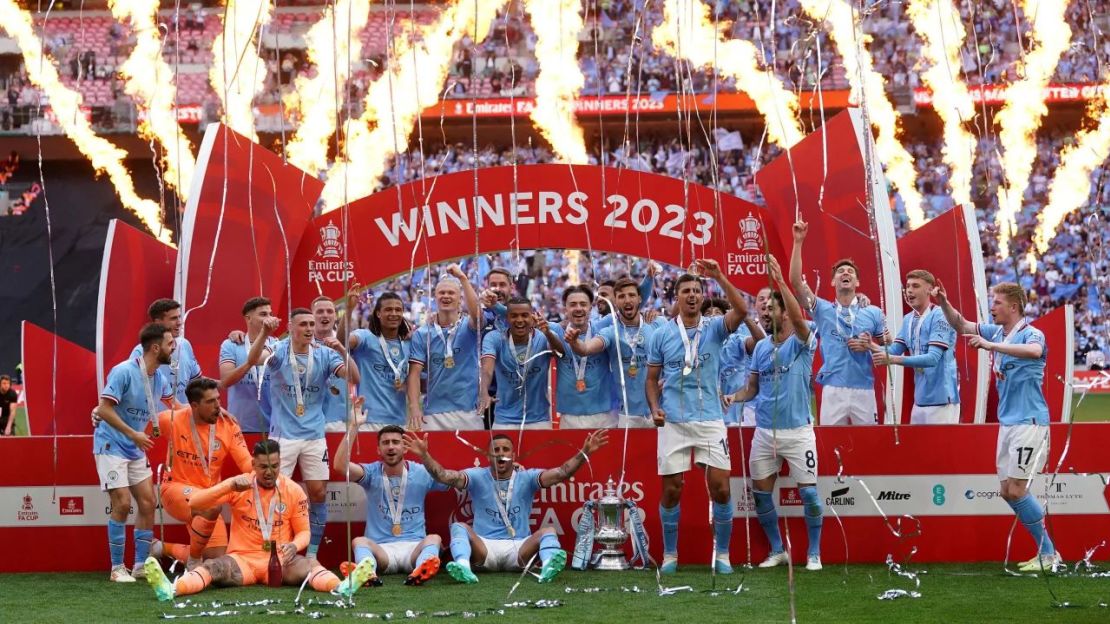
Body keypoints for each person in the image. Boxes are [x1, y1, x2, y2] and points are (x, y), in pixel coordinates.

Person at [142, 439, 373, 600]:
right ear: (253, 465)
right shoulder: (240, 483)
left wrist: (294, 545)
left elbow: (304, 532)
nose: (269, 472)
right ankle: (172, 589)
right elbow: (195, 502)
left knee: (309, 565)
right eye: (263, 467)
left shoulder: (293, 490)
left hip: (281, 560)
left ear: (280, 463)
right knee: (213, 566)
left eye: (274, 466)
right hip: (243, 561)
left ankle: (342, 587)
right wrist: (229, 485)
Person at [934, 280, 1061, 572]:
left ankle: (1050, 554)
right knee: (1006, 490)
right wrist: (943, 301)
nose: (992, 307)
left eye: (997, 302)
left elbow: (1033, 352)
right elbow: (961, 325)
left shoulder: (1032, 333)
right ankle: (1047, 552)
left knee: (1017, 489)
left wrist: (990, 346)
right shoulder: (997, 331)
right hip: (1008, 424)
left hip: (1030, 422)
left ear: (1013, 307)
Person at [645, 258, 752, 574]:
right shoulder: (662, 334)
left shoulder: (715, 328)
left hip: (709, 419)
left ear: (703, 297)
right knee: (672, 489)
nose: (691, 295)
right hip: (674, 422)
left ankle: (722, 555)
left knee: (720, 488)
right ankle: (670, 555)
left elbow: (743, 311)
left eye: (696, 291)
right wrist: (654, 408)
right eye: (686, 291)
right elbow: (651, 379)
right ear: (676, 297)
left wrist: (718, 275)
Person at [405, 429, 609, 583]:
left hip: (519, 548)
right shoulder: (477, 476)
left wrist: (585, 452)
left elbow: (561, 473)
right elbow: (444, 476)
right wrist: (424, 456)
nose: (500, 454)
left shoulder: (527, 477)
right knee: (459, 527)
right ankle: (463, 567)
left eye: (505, 450)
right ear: (487, 455)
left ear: (513, 455)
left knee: (548, 531)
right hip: (484, 548)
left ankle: (547, 569)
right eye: (496, 450)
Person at [731, 256, 823, 571]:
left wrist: (781, 282)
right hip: (764, 434)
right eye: (763, 309)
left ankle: (814, 554)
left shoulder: (802, 336)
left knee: (810, 495)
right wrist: (734, 396)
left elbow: (799, 321)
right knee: (760, 496)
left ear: (785, 311)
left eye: (773, 308)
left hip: (798, 433)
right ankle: (777, 550)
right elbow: (752, 388)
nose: (766, 313)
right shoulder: (759, 347)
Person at [267, 307, 353, 560]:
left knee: (317, 494)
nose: (308, 329)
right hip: (283, 436)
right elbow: (253, 360)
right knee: (276, 494)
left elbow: (354, 375)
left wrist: (341, 350)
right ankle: (277, 551)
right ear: (291, 328)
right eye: (303, 324)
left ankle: (312, 554)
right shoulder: (279, 350)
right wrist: (263, 333)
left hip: (314, 435)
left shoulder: (325, 354)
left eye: (311, 324)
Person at [333, 402, 448, 585]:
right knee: (359, 541)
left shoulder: (421, 472)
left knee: (434, 538)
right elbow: (340, 466)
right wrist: (354, 426)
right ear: (379, 450)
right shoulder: (371, 473)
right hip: (381, 551)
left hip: (414, 548)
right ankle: (368, 572)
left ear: (404, 447)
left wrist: (425, 456)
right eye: (385, 443)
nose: (391, 447)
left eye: (396, 442)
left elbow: (445, 478)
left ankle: (420, 570)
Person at [95, 323, 175, 582]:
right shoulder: (123, 371)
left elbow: (176, 405)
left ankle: (140, 564)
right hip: (111, 445)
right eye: (169, 344)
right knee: (122, 503)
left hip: (134, 447)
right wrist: (134, 434)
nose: (173, 348)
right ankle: (117, 568)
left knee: (148, 502)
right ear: (155, 348)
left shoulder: (159, 378)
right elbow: (103, 409)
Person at [789, 221, 888, 425]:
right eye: (840, 271)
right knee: (832, 447)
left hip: (865, 390)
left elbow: (891, 347)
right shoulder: (823, 309)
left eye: (850, 272)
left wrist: (871, 346)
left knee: (870, 446)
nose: (845, 273)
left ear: (857, 283)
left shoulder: (873, 312)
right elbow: (797, 283)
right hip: (833, 389)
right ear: (833, 281)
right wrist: (798, 242)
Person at [151, 377, 254, 568]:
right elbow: (136, 427)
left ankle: (162, 548)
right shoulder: (171, 419)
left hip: (209, 495)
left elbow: (247, 464)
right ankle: (193, 562)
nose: (217, 406)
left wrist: (260, 467)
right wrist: (100, 413)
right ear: (194, 406)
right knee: (210, 505)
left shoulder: (229, 425)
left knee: (214, 560)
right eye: (210, 402)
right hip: (175, 489)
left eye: (218, 400)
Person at [566, 277, 668, 428]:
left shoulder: (658, 323)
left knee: (661, 452)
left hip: (660, 411)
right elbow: (586, 349)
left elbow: (675, 355)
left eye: (632, 295)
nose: (627, 300)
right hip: (627, 416)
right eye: (621, 296)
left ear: (640, 298)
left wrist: (668, 380)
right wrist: (575, 343)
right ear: (615, 302)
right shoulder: (610, 331)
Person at [870, 270, 960, 424]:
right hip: (919, 401)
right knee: (917, 448)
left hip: (942, 401)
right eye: (908, 286)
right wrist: (868, 344)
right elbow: (892, 350)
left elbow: (932, 358)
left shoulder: (941, 315)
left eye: (916, 286)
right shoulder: (908, 319)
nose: (909, 290)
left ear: (929, 290)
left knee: (938, 448)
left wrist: (893, 359)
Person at [407, 265, 482, 431]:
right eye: (442, 293)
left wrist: (463, 278)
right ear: (434, 297)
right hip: (434, 413)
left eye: (451, 293)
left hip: (469, 411)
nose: (446, 296)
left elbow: (478, 315)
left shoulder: (469, 327)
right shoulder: (422, 333)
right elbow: (414, 374)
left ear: (460, 299)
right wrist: (414, 407)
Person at [480, 296, 565, 429]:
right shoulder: (494, 338)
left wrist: (548, 333)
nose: (519, 320)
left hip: (539, 420)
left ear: (532, 317)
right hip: (504, 420)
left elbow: (561, 354)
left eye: (524, 315)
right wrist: (484, 391)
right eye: (514, 316)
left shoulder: (544, 336)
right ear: (507, 318)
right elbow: (487, 369)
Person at [550, 285, 615, 429]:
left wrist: (648, 278)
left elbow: (632, 308)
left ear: (591, 308)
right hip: (569, 416)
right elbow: (525, 316)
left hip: (605, 416)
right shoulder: (556, 330)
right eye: (572, 305)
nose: (578, 308)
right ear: (565, 308)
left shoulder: (602, 328)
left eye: (583, 304)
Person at [347, 293, 411, 429]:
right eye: (388, 309)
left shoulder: (409, 344)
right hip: (368, 421)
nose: (394, 313)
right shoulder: (365, 338)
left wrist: (407, 386)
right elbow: (343, 342)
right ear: (378, 313)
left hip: (399, 422)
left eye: (398, 310)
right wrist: (348, 310)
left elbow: (421, 381)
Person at [218, 297, 277, 433]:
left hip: (273, 427)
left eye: (270, 314)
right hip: (239, 426)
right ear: (248, 318)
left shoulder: (277, 345)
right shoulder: (231, 345)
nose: (269, 318)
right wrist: (249, 363)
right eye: (263, 314)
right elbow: (226, 381)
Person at [704, 297, 764, 427]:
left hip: (736, 417)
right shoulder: (697, 346)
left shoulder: (736, 341)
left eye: (718, 313)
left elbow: (760, 343)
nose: (713, 316)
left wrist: (744, 317)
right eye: (708, 313)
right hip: (709, 418)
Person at [130, 299, 201, 405]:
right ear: (158, 322)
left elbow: (196, 381)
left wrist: (221, 384)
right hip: (156, 420)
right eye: (173, 318)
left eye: (179, 317)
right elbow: (129, 389)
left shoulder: (185, 344)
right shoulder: (140, 352)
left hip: (181, 417)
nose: (179, 322)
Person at [313, 295, 361, 432]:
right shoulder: (301, 345)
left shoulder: (346, 342)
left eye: (329, 311)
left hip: (340, 420)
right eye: (320, 311)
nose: (325, 315)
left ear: (335, 316)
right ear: (312, 316)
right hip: (310, 421)